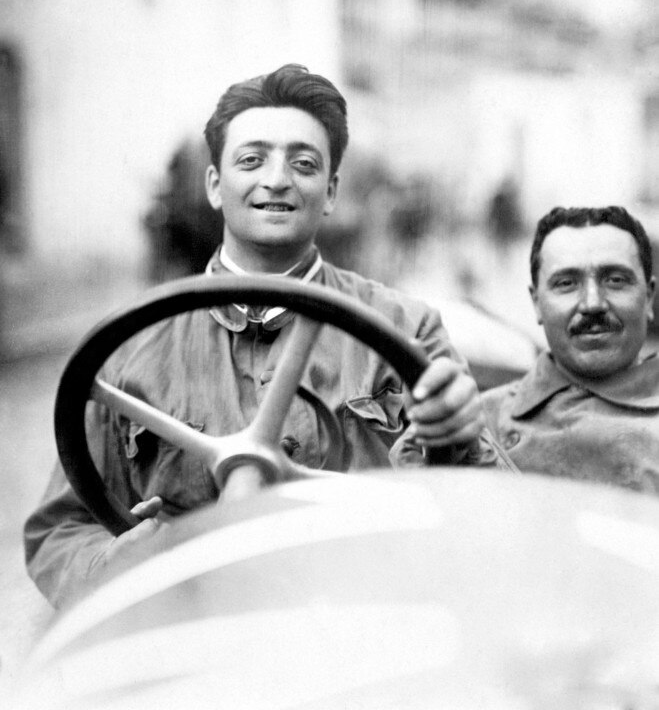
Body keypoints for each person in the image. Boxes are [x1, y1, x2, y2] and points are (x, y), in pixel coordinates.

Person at [25, 64, 484, 607]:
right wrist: (117, 565)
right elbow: (60, 532)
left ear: (331, 190)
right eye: (251, 159)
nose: (277, 179)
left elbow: (478, 511)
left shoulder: (408, 329)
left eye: (304, 163)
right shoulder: (129, 347)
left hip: (360, 624)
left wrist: (455, 438)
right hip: (189, 632)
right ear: (216, 186)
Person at [478, 205, 659, 493]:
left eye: (615, 280)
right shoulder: (479, 421)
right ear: (537, 302)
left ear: (648, 298)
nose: (592, 303)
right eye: (566, 284)